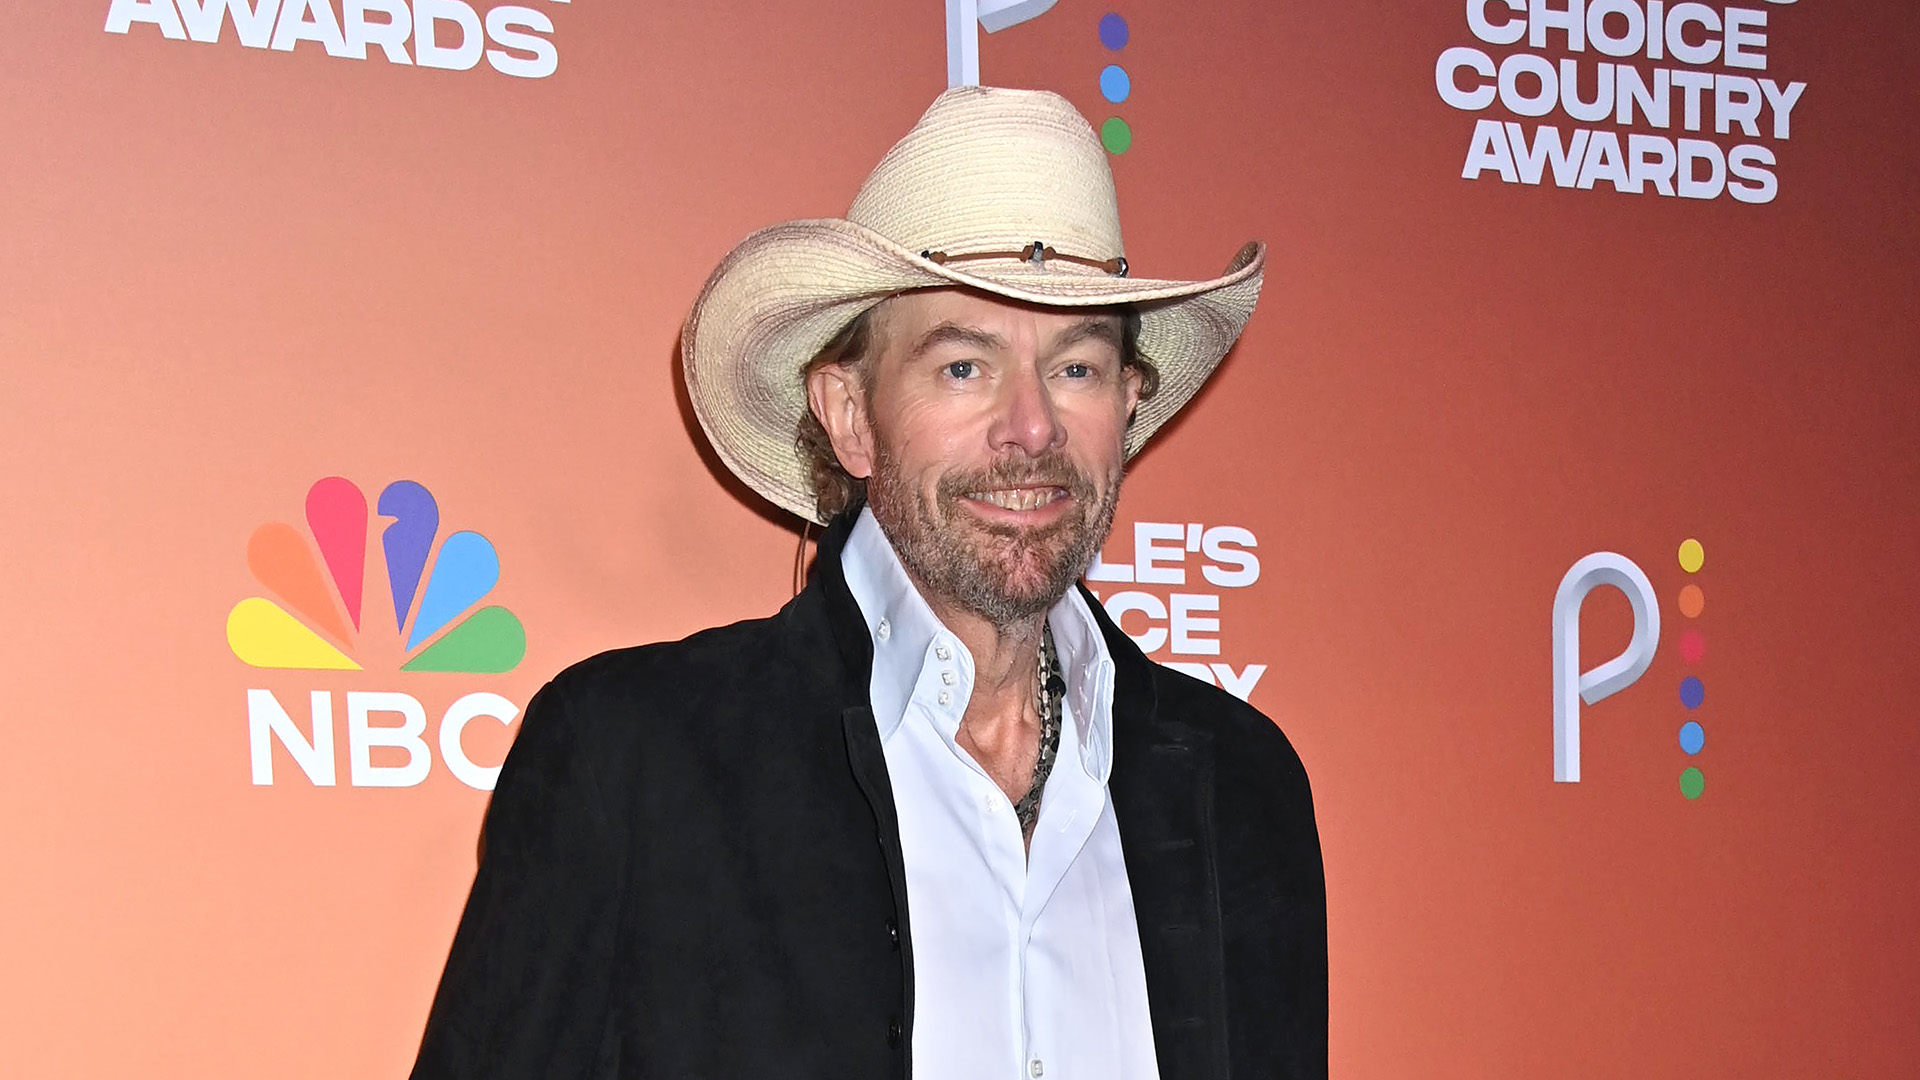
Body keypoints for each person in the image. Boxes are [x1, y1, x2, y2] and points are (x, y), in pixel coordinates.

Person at [410, 86, 1326, 1080]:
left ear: (1129, 408)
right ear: (849, 415)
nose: (1032, 427)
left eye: (1077, 367)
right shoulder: (629, 761)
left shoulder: (1243, 786)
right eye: (964, 367)